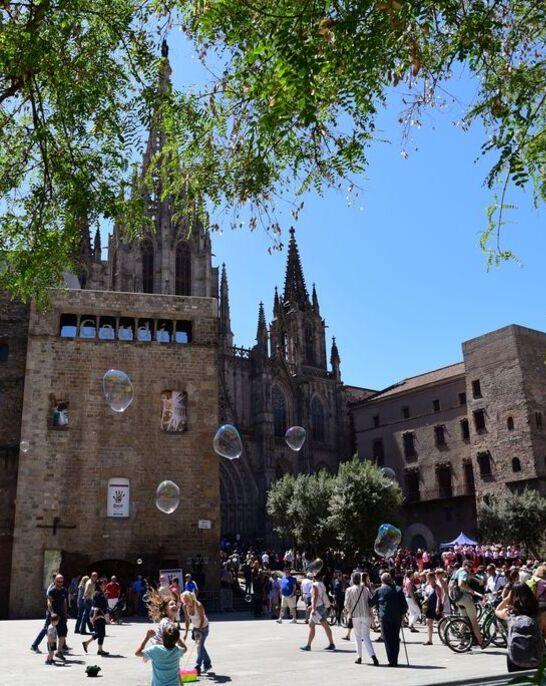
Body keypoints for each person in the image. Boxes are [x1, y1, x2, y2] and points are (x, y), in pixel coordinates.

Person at [495, 582, 544, 672]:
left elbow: (497, 610)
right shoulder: (537, 613)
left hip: (514, 657)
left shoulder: (509, 613)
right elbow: (541, 631)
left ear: (513, 596)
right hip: (536, 655)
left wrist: (507, 598)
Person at [369, 572, 408, 667]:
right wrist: (402, 615)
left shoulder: (379, 590)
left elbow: (371, 603)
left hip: (385, 618)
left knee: (388, 640)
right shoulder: (399, 590)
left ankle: (391, 660)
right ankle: (395, 660)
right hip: (396, 618)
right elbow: (405, 606)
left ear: (382, 581)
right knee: (395, 639)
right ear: (391, 580)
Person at [344, 572, 378, 666]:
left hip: (355, 615)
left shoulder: (349, 590)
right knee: (366, 636)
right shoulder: (365, 589)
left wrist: (349, 611)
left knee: (357, 637)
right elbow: (371, 601)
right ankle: (373, 656)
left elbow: (346, 604)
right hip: (365, 615)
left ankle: (359, 657)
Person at [451, 559, 483, 646]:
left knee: (464, 620)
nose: (470, 568)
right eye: (468, 566)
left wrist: (476, 579)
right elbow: (461, 584)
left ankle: (461, 643)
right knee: (474, 621)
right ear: (464, 565)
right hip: (465, 598)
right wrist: (470, 590)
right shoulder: (464, 572)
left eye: (471, 567)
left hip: (457, 599)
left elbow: (470, 576)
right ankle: (481, 642)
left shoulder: (457, 571)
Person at [300, 572, 335, 652]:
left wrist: (313, 608)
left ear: (314, 577)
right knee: (325, 624)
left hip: (318, 607)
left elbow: (315, 596)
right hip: (322, 606)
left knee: (311, 625)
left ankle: (308, 645)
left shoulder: (315, 585)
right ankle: (332, 644)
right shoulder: (321, 584)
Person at [181, 591, 211, 676]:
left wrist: (199, 630)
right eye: (184, 599)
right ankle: (207, 663)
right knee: (201, 646)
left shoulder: (198, 605)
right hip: (196, 628)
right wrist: (186, 633)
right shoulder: (184, 606)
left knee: (199, 647)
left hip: (204, 627)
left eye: (186, 599)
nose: (185, 601)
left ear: (191, 598)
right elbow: (187, 620)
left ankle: (197, 667)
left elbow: (202, 618)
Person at [82, 577, 110, 656]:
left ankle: (98, 649)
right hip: (97, 615)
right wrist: (94, 617)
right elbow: (96, 606)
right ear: (100, 585)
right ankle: (89, 644)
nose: (105, 586)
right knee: (100, 632)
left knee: (101, 633)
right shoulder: (98, 594)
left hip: (99, 615)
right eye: (104, 584)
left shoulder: (99, 593)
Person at [423, 571, 442, 645]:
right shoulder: (427, 586)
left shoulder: (437, 587)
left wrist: (437, 607)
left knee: (441, 623)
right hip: (429, 607)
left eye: (429, 577)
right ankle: (430, 640)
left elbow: (439, 598)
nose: (428, 579)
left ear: (433, 578)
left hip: (435, 607)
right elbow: (425, 594)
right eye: (427, 578)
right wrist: (426, 597)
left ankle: (445, 637)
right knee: (429, 623)